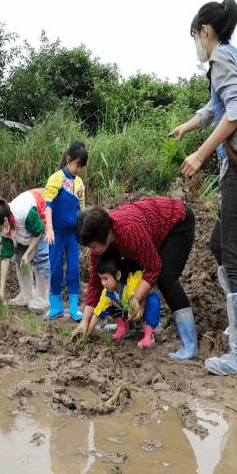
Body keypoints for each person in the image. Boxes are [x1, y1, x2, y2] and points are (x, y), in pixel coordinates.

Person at [169, 0, 237, 375]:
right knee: (218, 245)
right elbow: (216, 107)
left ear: (206, 32)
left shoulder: (220, 59)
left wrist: (199, 155)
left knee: (234, 259)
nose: (196, 43)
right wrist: (188, 125)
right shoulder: (233, 56)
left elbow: (234, 113)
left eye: (195, 35)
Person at [73, 198, 197, 360]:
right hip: (148, 232)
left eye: (93, 245)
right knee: (125, 272)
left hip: (177, 222)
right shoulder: (102, 244)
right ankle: (130, 325)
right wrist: (85, 322)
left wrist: (136, 299)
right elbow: (95, 284)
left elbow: (153, 267)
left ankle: (190, 344)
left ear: (104, 235)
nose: (92, 251)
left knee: (166, 278)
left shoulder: (130, 232)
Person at [0, 189, 50, 313]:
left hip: (42, 212)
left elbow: (38, 232)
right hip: (23, 227)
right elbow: (5, 258)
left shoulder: (24, 213)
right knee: (19, 259)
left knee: (41, 258)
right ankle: (27, 294)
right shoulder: (3, 225)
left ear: (5, 222)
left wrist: (28, 254)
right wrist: (1, 293)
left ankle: (43, 298)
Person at [44, 141, 88, 321]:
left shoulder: (79, 184)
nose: (78, 169)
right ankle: (55, 308)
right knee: (55, 269)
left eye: (81, 166)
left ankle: (74, 309)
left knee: (73, 269)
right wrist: (49, 228)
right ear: (69, 159)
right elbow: (48, 206)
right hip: (57, 234)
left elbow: (82, 211)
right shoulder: (56, 179)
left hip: (72, 235)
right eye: (77, 164)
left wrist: (83, 233)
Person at [90, 252, 161, 348]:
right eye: (101, 279)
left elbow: (148, 285)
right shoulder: (108, 293)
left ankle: (149, 334)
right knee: (107, 306)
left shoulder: (131, 281)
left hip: (142, 310)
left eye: (106, 278)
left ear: (118, 275)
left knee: (153, 299)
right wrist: (87, 331)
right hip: (128, 312)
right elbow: (97, 313)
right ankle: (123, 328)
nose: (103, 283)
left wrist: (140, 305)